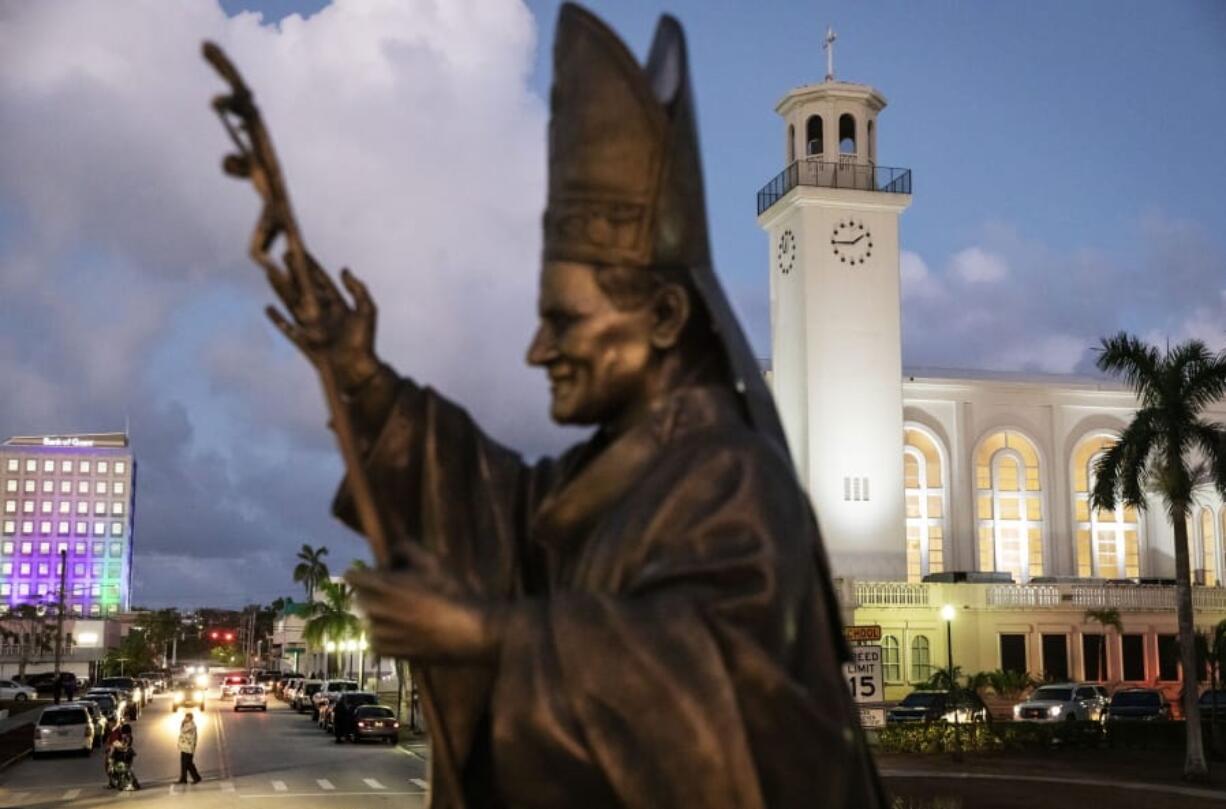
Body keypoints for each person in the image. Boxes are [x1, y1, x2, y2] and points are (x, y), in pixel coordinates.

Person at [246, 4, 885, 807]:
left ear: (663, 317)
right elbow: (499, 502)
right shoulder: (622, 470)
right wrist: (365, 378)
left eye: (564, 321)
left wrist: (490, 635)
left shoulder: (734, 480)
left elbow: (711, 683)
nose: (536, 351)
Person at [176, 712, 202, 784]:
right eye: (185, 717)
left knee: (188, 764)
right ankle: (183, 778)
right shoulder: (188, 724)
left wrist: (182, 723)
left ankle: (196, 778)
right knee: (184, 763)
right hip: (184, 747)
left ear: (190, 718)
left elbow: (183, 730)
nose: (185, 718)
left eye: (186, 717)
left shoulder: (191, 725)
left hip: (189, 748)